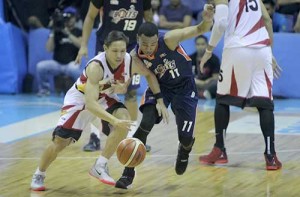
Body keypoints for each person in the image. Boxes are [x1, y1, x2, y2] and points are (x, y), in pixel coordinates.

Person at [30, 31, 169, 191]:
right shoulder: (96, 67)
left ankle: (100, 166)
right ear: (105, 48)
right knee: (60, 143)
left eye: (122, 51)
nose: (119, 55)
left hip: (105, 97)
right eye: (115, 51)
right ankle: (39, 173)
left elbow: (149, 75)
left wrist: (158, 99)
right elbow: (90, 104)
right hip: (80, 100)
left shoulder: (130, 62)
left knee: (124, 120)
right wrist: (114, 120)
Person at [115, 5, 214, 189]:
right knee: (146, 123)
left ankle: (184, 149)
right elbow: (144, 77)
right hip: (160, 87)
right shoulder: (135, 56)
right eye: (145, 44)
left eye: (152, 44)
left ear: (157, 39)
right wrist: (123, 85)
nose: (149, 48)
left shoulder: (169, 39)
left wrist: (206, 20)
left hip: (185, 88)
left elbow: (199, 29)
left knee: (185, 138)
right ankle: (128, 173)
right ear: (138, 39)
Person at [198, 0, 282, 170]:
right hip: (262, 50)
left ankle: (220, 149)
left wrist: (208, 51)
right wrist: (270, 53)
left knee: (222, 99)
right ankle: (270, 155)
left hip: (237, 49)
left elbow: (221, 23)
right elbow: (267, 20)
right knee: (265, 103)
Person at [75, 0, 154, 152]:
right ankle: (94, 137)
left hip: (131, 46)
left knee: (131, 93)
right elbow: (90, 16)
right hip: (107, 46)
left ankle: (132, 137)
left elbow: (149, 20)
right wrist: (84, 44)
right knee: (99, 93)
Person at [36, 6, 82, 96]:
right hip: (57, 64)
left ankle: (80, 92)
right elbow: (49, 49)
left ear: (75, 17)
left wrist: (67, 33)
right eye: (67, 17)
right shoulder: (57, 31)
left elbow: (80, 44)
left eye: (72, 17)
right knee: (40, 66)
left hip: (71, 64)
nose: (70, 19)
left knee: (76, 70)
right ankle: (45, 90)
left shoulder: (78, 31)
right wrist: (53, 31)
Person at [190, 35, 220, 99]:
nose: (200, 47)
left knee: (217, 83)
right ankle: (202, 94)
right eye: (198, 44)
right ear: (195, 45)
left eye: (203, 44)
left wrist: (205, 82)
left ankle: (200, 94)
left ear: (207, 45)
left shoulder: (214, 59)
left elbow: (216, 77)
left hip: (208, 84)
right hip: (194, 83)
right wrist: (196, 81)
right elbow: (185, 75)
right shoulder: (190, 59)